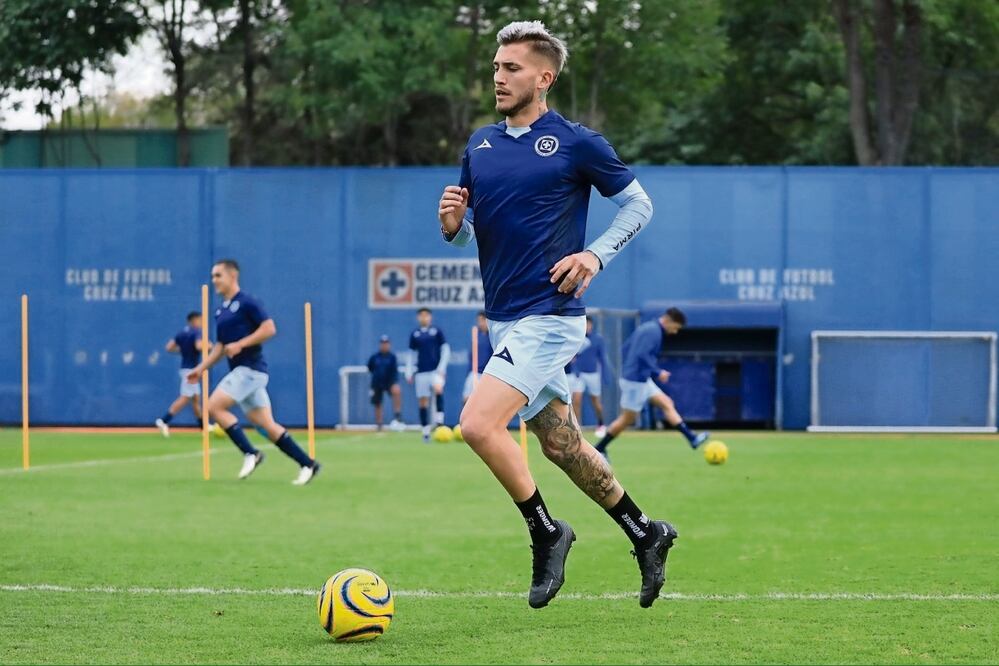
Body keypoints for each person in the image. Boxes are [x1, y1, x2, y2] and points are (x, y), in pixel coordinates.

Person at [437, 20, 672, 609]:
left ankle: (546, 532)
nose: (498, 77)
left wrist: (594, 255)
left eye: (511, 68)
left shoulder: (576, 142)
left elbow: (638, 205)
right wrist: (453, 227)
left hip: (550, 315)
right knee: (563, 446)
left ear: (544, 78)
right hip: (505, 318)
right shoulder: (480, 145)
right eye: (496, 67)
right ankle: (646, 532)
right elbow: (468, 232)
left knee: (477, 426)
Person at [185, 259, 321, 485]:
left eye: (218, 275)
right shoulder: (221, 311)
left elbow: (269, 328)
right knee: (267, 426)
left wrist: (241, 344)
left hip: (250, 370)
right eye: (213, 276)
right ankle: (308, 464)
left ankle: (251, 453)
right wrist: (200, 369)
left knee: (213, 407)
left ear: (232, 276)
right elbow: (221, 346)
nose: (214, 280)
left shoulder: (248, 302)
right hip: (244, 374)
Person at [595, 308, 710, 460]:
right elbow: (642, 354)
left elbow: (625, 348)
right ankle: (599, 449)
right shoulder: (654, 332)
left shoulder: (647, 328)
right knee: (626, 419)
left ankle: (692, 438)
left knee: (666, 403)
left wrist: (631, 368)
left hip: (641, 378)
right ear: (668, 320)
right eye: (676, 327)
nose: (675, 332)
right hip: (635, 381)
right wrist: (657, 372)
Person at [156, 311, 205, 437]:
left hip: (185, 368)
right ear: (194, 320)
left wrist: (183, 350)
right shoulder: (196, 332)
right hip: (191, 371)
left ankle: (203, 427)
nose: (201, 322)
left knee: (195, 399)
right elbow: (199, 346)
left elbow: (169, 347)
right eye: (200, 320)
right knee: (185, 397)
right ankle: (164, 420)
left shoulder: (182, 333)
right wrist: (209, 346)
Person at [405, 308, 450, 442]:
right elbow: (411, 354)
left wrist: (442, 368)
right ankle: (425, 432)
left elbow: (445, 350)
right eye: (421, 315)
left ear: (430, 317)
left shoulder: (436, 332)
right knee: (423, 401)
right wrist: (409, 371)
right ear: (418, 318)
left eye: (426, 315)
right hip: (421, 372)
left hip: (435, 371)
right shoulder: (415, 334)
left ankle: (439, 423)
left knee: (438, 390)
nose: (424, 318)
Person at [571, 316, 610, 437]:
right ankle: (577, 428)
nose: (587, 327)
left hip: (593, 375)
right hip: (578, 375)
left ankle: (601, 424)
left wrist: (606, 376)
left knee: (596, 401)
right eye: (585, 324)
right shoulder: (577, 338)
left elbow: (603, 358)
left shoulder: (598, 339)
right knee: (576, 400)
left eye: (589, 325)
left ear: (592, 325)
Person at [368, 335, 403, 431]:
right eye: (383, 343)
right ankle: (379, 424)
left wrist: (394, 383)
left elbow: (394, 371)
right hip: (377, 382)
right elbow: (370, 367)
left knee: (397, 390)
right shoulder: (374, 357)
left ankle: (397, 416)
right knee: (377, 403)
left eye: (386, 343)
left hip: (389, 382)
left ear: (389, 344)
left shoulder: (392, 357)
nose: (384, 345)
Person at [462, 312, 493, 404]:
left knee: (484, 402)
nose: (480, 323)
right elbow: (471, 355)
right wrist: (470, 372)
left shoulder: (493, 336)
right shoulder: (476, 334)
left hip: (487, 375)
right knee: (466, 400)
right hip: (474, 373)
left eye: (483, 320)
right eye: (479, 321)